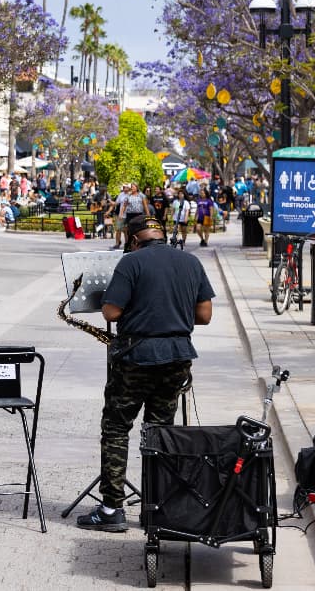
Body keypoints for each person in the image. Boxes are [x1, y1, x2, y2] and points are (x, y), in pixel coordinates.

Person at [76, 216, 214, 533]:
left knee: (116, 427)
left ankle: (112, 508)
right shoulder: (191, 261)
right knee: (161, 431)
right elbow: (204, 315)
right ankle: (160, 507)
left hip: (136, 357)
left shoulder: (131, 262)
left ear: (134, 239)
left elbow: (111, 312)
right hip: (176, 358)